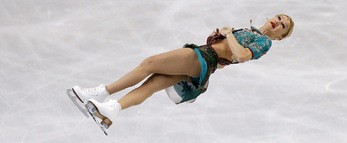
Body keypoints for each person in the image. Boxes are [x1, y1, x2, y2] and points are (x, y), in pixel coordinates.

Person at [69, 14, 294, 130]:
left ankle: (100, 93)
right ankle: (112, 110)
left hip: (203, 59)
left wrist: (229, 35)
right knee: (152, 84)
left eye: (283, 25)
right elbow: (230, 55)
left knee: (149, 63)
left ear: (281, 36)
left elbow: (243, 55)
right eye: (279, 17)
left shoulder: (264, 42)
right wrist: (220, 36)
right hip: (206, 63)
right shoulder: (250, 31)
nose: (278, 22)